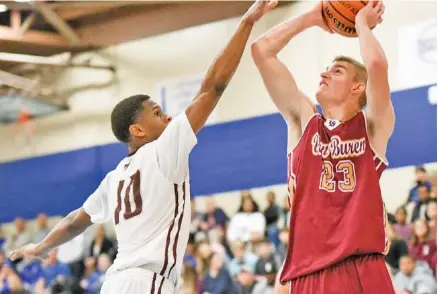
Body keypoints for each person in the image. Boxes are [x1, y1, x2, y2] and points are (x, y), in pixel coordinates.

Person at [9, 1, 278, 293]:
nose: (166, 116)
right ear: (137, 130)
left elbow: (75, 221)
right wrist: (247, 23)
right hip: (146, 281)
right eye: (157, 112)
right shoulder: (164, 150)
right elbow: (213, 87)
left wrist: (42, 245)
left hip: (114, 282)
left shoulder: (114, 178)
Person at [252, 1, 395, 293]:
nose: (324, 74)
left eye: (337, 71)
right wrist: (313, 17)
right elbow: (261, 50)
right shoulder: (304, 121)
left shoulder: (372, 129)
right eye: (327, 70)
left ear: (358, 87)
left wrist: (361, 25)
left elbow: (377, 66)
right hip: (309, 272)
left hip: (363, 266)